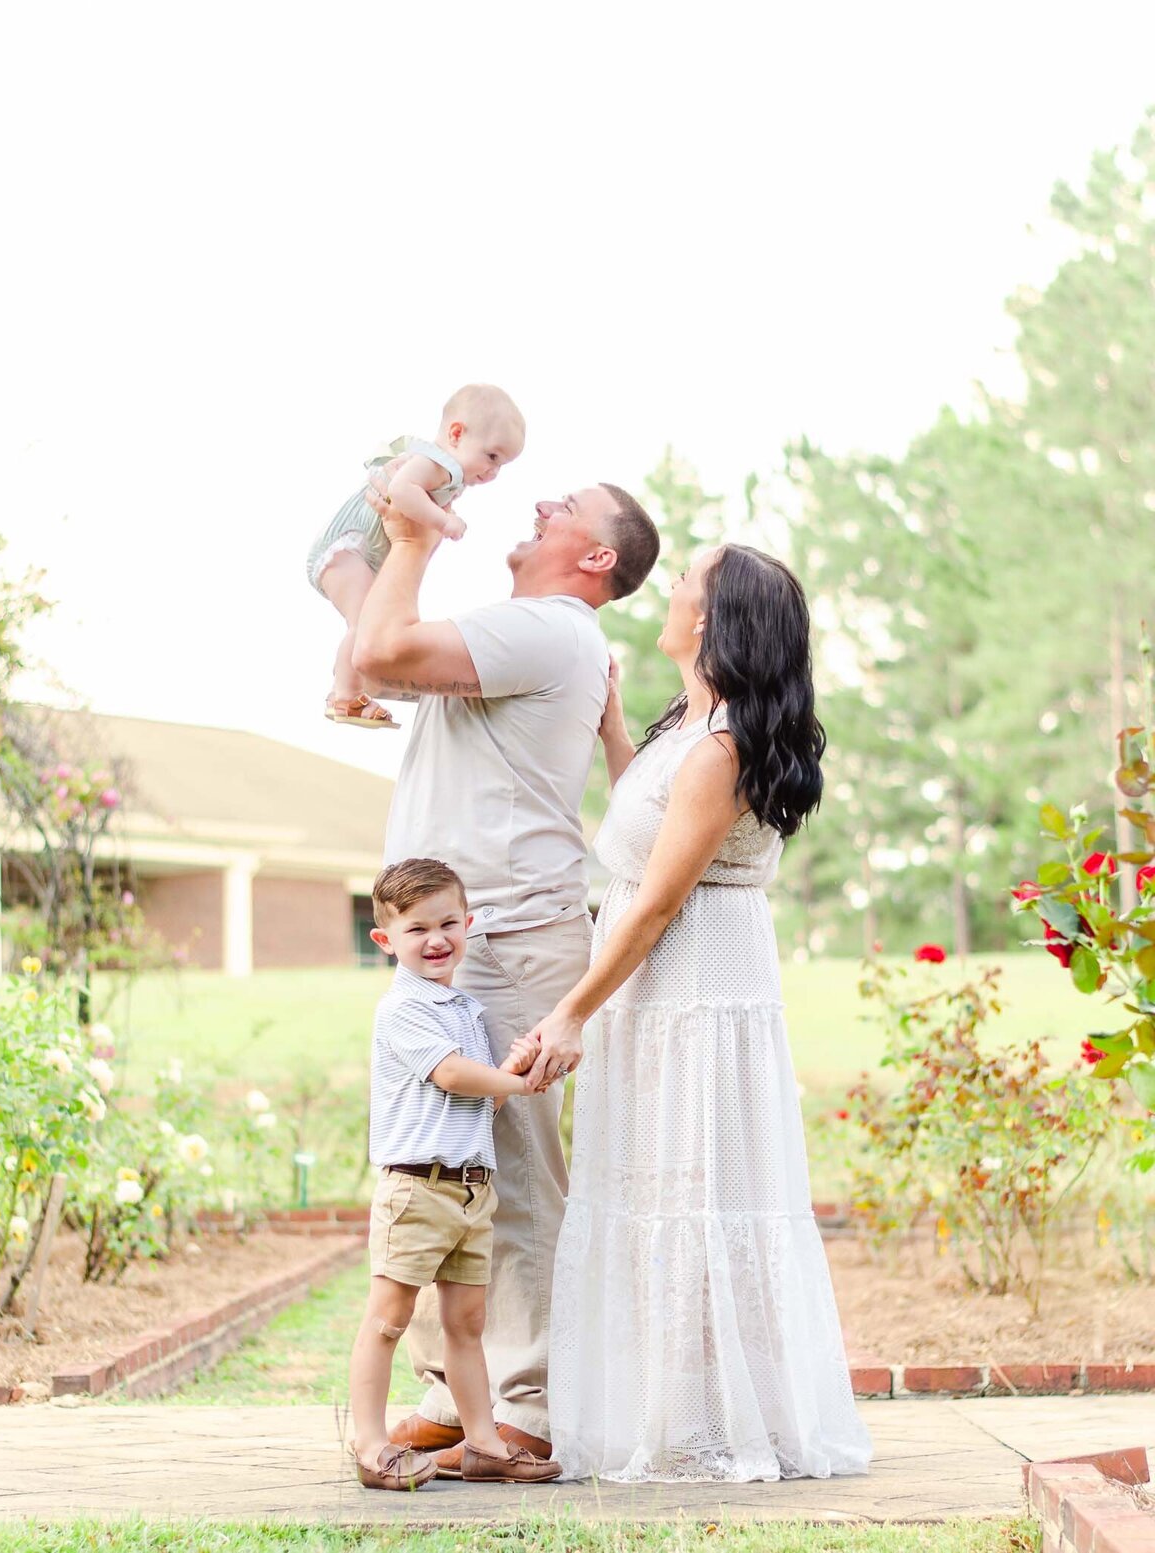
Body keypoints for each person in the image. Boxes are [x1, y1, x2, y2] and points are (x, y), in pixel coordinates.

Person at [527, 544, 873, 1483]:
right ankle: (675, 1411)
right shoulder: (693, 727)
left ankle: (707, 1422)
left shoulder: (723, 750)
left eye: (685, 580)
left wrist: (570, 1015)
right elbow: (649, 820)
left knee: (696, 1196)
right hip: (656, 991)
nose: (671, 589)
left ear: (714, 620)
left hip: (695, 988)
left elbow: (654, 901)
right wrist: (609, 730)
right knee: (657, 1191)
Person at [352, 477, 660, 1472]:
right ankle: (464, 1387)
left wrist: (408, 537)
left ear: (599, 555)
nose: (543, 500)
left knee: (514, 1172)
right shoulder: (535, 636)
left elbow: (384, 648)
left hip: (510, 946)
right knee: (448, 1160)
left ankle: (527, 1402)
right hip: (461, 947)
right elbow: (374, 660)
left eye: (569, 501)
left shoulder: (553, 628)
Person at [348, 857, 561, 1491]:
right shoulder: (404, 1009)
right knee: (387, 1318)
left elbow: (480, 1098)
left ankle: (485, 1444)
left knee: (467, 1324)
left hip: (470, 1191)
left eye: (448, 923)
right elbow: (452, 1075)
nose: (436, 940)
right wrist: (519, 1080)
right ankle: (369, 1445)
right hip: (416, 1188)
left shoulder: (463, 1008)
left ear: (467, 925)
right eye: (417, 929)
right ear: (386, 940)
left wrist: (514, 1070)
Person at [305, 384, 525, 728]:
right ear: (456, 433)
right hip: (349, 547)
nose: (494, 472)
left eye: (503, 465)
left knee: (371, 623)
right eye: (492, 456)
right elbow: (400, 490)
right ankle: (345, 696)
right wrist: (444, 521)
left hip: (362, 552)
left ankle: (351, 680)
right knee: (365, 623)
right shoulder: (439, 462)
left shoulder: (446, 468)